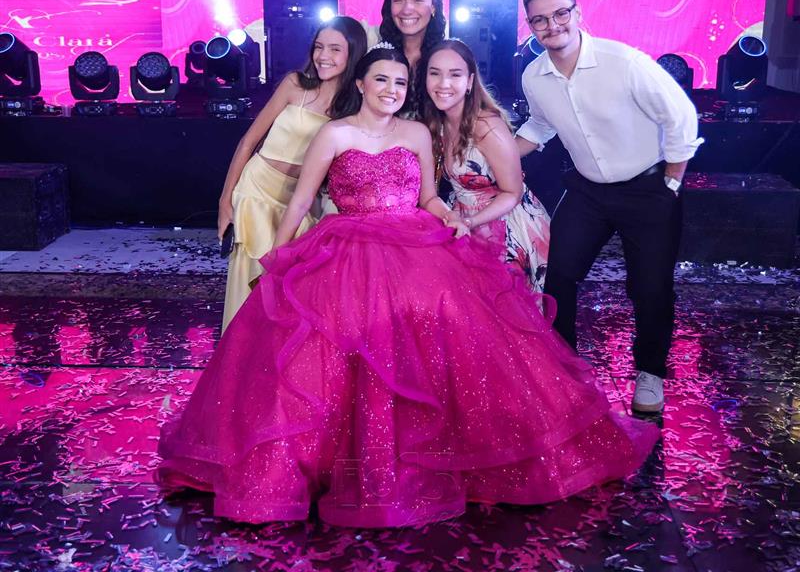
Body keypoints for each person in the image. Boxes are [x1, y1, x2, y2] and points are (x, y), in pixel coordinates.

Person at [156, 46, 659, 528]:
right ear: (360, 84)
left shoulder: (418, 132)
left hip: (410, 241)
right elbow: (301, 200)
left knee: (449, 334)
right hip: (347, 245)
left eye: (400, 82)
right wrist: (280, 257)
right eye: (381, 79)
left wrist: (453, 220)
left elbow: (428, 198)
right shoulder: (333, 134)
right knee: (330, 348)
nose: (391, 89)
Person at [515, 0, 703, 413]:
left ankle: (650, 373)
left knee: (650, 286)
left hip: (648, 187)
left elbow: (680, 117)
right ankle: (564, 365)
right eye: (540, 19)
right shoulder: (534, 77)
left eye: (561, 13)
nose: (552, 25)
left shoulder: (624, 62)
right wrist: (492, 154)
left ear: (577, 12)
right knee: (557, 273)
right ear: (531, 25)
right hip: (587, 191)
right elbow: (540, 126)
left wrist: (672, 182)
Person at [217, 16, 366, 330]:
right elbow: (248, 142)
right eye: (319, 47)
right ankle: (238, 352)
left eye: (335, 49)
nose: (323, 56)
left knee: (286, 289)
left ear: (353, 54)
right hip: (257, 189)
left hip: (299, 202)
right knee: (249, 279)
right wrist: (224, 201)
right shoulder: (295, 84)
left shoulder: (354, 109)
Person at [421, 39, 550, 291]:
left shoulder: (487, 126)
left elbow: (513, 193)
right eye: (434, 73)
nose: (443, 83)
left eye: (455, 74)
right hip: (463, 219)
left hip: (507, 225)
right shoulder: (439, 123)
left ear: (470, 82)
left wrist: (470, 222)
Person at [370, 0, 446, 116]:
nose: (406, 9)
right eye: (398, 0)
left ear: (433, 6)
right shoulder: (375, 52)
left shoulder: (446, 57)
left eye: (418, 0)